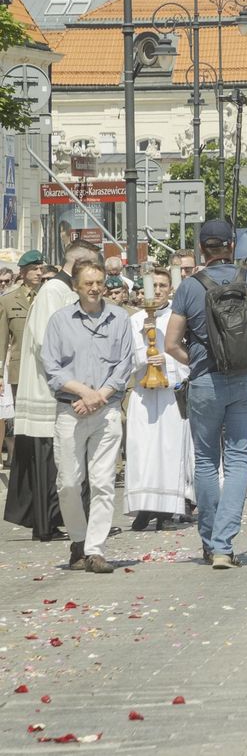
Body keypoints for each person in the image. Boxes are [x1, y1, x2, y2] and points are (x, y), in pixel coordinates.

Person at [165, 219, 247, 569]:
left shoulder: (189, 287)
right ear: (232, 246)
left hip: (206, 381)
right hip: (246, 378)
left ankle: (210, 541)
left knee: (207, 460)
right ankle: (225, 544)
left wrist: (194, 360)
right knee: (240, 459)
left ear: (201, 248)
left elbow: (170, 343)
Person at [4, 240, 101, 541]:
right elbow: (47, 341)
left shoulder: (65, 291)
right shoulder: (53, 292)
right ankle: (45, 523)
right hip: (50, 388)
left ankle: (63, 518)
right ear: (79, 263)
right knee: (48, 458)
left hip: (63, 384)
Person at [42, 260, 134, 573]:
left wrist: (99, 397)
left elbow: (124, 365)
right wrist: (84, 392)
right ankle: (78, 540)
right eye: (88, 283)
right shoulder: (60, 321)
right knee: (68, 482)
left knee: (103, 482)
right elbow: (52, 368)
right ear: (76, 287)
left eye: (99, 282)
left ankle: (95, 550)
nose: (94, 288)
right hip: (71, 409)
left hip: (106, 411)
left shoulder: (119, 318)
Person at [125, 268, 194, 530]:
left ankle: (167, 507)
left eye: (163, 285)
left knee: (169, 449)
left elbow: (189, 353)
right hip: (144, 391)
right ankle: (144, 506)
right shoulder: (136, 319)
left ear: (169, 288)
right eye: (153, 285)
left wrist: (168, 358)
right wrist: (145, 355)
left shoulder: (179, 316)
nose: (158, 289)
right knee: (141, 449)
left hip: (170, 391)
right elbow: (128, 354)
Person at [0, 251, 46, 461]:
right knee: (22, 419)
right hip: (19, 371)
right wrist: (0, 375)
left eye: (41, 268)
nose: (39, 272)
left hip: (46, 370)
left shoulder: (49, 297)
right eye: (35, 269)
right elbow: (1, 342)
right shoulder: (8, 301)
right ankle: (24, 461)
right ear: (24, 272)